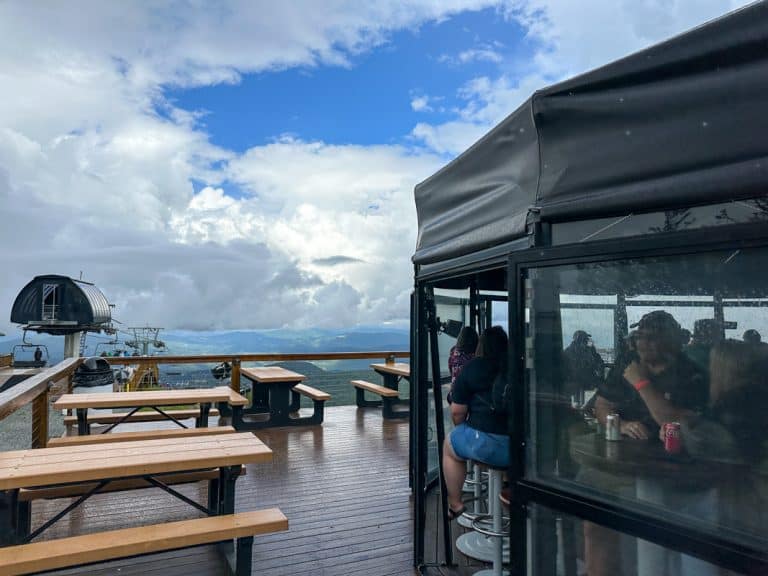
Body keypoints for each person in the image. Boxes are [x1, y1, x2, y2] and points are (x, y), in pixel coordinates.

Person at [442, 326, 509, 519]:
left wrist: (462, 430)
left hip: (485, 444)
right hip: (522, 448)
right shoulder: (517, 367)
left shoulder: (473, 368)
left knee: (450, 447)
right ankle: (507, 486)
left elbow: (457, 412)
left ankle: (455, 504)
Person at [562, 330, 605, 406]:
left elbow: (599, 362)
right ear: (580, 341)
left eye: (586, 340)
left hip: (581, 380)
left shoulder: (570, 351)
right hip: (581, 380)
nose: (586, 341)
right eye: (585, 340)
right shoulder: (572, 352)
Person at [447, 326, 478, 403]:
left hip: (453, 394)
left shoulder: (453, 354)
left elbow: (451, 371)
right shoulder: (474, 357)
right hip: (468, 396)